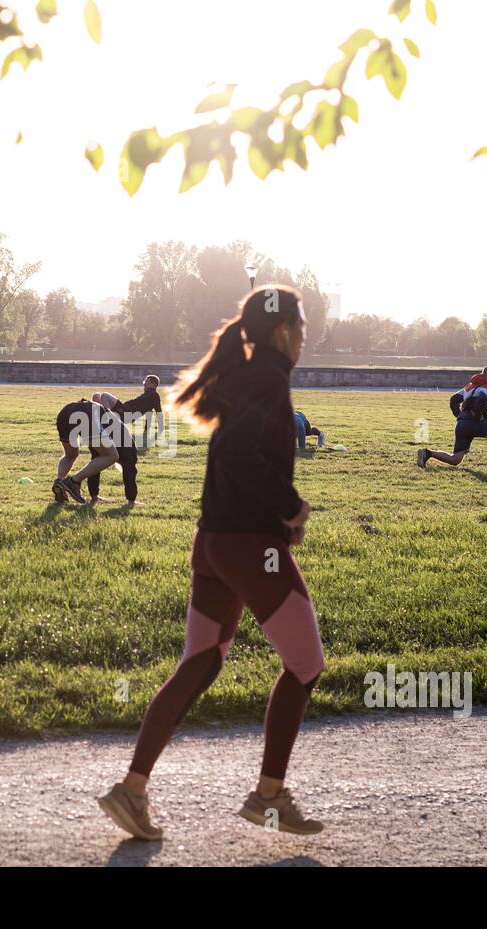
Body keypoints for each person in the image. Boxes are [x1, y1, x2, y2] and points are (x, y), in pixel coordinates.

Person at [97, 285, 324, 841]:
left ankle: (132, 789)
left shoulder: (248, 376)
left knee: (201, 663)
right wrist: (291, 508)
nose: (307, 335)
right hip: (250, 549)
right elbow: (241, 454)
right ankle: (269, 795)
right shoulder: (268, 378)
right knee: (305, 665)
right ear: (284, 331)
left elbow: (231, 457)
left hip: (216, 544)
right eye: (303, 324)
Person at [416, 365, 487, 471]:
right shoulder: (484, 388)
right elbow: (481, 401)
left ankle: (427, 453)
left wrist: (459, 416)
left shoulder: (469, 386)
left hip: (462, 423)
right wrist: (482, 417)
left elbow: (454, 400)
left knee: (455, 459)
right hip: (473, 423)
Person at [52, 397, 119, 504]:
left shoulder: (86, 404)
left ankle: (59, 481)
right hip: (85, 415)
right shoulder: (107, 413)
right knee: (111, 455)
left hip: (64, 412)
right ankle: (74, 481)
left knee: (70, 455)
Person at [87, 392, 139, 505]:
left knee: (128, 466)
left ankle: (131, 500)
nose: (97, 403)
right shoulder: (98, 416)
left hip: (119, 440)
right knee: (95, 466)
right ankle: (94, 497)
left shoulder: (102, 415)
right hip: (115, 440)